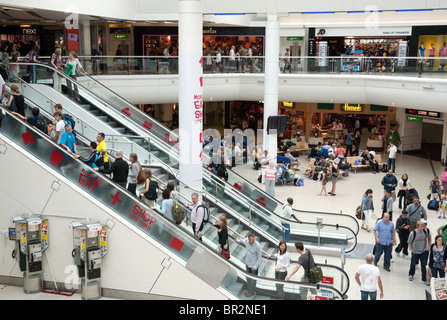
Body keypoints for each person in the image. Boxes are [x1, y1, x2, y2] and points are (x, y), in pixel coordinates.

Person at [236, 233, 262, 297]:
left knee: (253, 280)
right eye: (252, 240)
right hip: (248, 264)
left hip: (254, 266)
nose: (253, 241)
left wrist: (255, 266)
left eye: (254, 240)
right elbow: (242, 241)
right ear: (249, 239)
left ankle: (252, 292)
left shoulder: (257, 246)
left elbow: (259, 257)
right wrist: (237, 241)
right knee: (248, 278)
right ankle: (249, 290)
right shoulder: (246, 241)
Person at [408, 220, 431, 284]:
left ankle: (424, 278)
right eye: (421, 226)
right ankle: (411, 274)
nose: (423, 228)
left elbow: (426, 240)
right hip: (415, 252)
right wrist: (412, 249)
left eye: (423, 226)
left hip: (423, 252)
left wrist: (425, 248)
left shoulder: (424, 232)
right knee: (413, 264)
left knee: (424, 265)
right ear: (417, 226)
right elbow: (409, 242)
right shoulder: (413, 233)